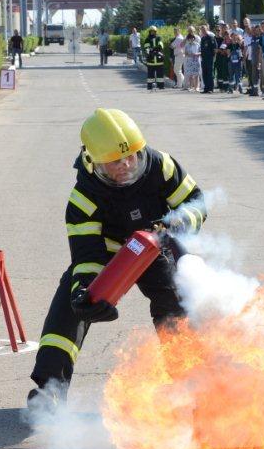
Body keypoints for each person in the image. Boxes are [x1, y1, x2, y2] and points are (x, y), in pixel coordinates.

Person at [27, 108, 207, 411]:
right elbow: (87, 255)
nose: (126, 165)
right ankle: (50, 392)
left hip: (153, 248)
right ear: (95, 161)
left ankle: (190, 387)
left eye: (131, 156)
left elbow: (196, 203)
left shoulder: (161, 166)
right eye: (114, 161)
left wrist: (176, 223)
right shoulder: (83, 198)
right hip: (109, 255)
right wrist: (86, 290)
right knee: (71, 306)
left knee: (174, 303)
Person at [183, 27, 202, 93]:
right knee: (190, 75)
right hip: (190, 61)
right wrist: (189, 54)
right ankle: (191, 87)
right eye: (190, 38)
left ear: (194, 38)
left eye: (192, 38)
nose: (191, 39)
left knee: (196, 75)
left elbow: (201, 52)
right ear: (188, 39)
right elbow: (185, 53)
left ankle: (197, 87)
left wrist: (197, 54)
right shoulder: (187, 45)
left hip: (196, 61)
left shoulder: (197, 44)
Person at [199, 24, 217, 93]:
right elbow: (202, 49)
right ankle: (206, 88)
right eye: (202, 30)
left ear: (207, 29)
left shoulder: (211, 37)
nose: (203, 31)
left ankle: (210, 89)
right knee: (204, 73)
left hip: (210, 58)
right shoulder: (202, 38)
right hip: (204, 58)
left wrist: (214, 57)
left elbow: (215, 48)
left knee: (210, 73)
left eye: (204, 29)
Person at [241, 18, 257, 96]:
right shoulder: (245, 34)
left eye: (249, 29)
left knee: (253, 73)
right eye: (244, 22)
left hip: (253, 56)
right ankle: (250, 88)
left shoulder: (254, 36)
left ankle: (254, 89)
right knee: (248, 73)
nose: (247, 30)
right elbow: (245, 46)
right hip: (247, 56)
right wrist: (244, 56)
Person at [214, 28, 230, 93]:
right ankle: (222, 87)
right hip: (222, 58)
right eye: (225, 34)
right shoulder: (223, 41)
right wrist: (221, 51)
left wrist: (223, 51)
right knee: (222, 73)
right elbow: (221, 49)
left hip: (228, 58)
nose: (226, 35)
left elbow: (228, 50)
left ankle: (227, 87)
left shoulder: (230, 40)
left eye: (227, 34)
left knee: (226, 73)